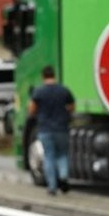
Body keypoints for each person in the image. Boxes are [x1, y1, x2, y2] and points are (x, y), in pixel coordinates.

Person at [27, 65, 75, 195]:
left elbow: (32, 109)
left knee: (49, 156)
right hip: (62, 128)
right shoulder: (64, 90)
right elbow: (71, 106)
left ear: (43, 76)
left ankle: (52, 186)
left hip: (45, 130)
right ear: (54, 75)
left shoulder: (39, 92)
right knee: (62, 155)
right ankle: (64, 177)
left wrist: (37, 115)